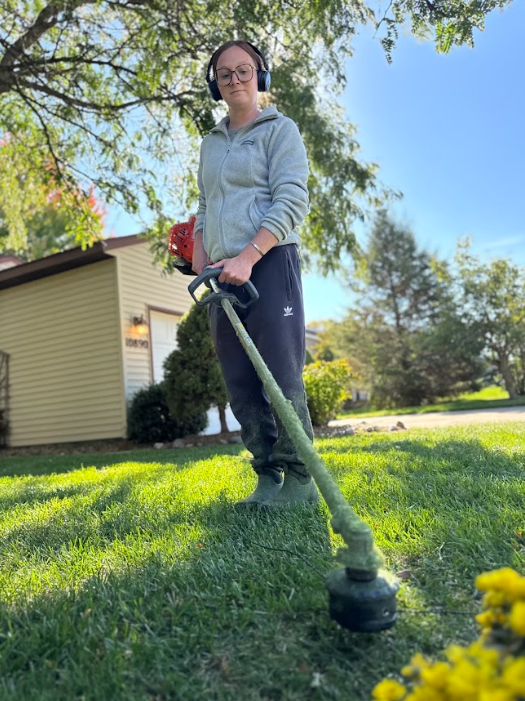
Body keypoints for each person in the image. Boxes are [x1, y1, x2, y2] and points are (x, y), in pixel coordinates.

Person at [192, 40, 317, 507]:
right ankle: (267, 474)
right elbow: (205, 204)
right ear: (216, 85)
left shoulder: (280, 131)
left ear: (260, 76)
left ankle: (300, 478)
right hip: (221, 275)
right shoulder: (210, 143)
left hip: (268, 262)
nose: (235, 80)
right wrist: (202, 253)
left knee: (280, 374)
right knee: (241, 380)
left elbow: (292, 199)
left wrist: (247, 256)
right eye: (224, 74)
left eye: (243, 70)